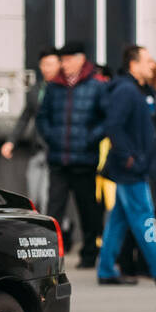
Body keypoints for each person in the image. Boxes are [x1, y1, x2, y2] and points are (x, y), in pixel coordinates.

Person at [96, 45, 156, 286]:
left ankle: (106, 270)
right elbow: (113, 126)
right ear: (134, 64)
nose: (151, 65)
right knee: (145, 216)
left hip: (133, 166)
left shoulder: (139, 90)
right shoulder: (126, 91)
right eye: (147, 61)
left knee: (118, 221)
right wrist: (129, 158)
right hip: (131, 169)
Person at [36, 40, 107, 268]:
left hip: (84, 160)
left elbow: (106, 119)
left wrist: (90, 138)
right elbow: (42, 117)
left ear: (79, 59)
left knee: (87, 209)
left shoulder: (96, 86)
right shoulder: (54, 87)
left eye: (66, 60)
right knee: (53, 209)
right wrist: (51, 136)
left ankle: (89, 254)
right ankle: (50, 256)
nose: (63, 65)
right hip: (58, 159)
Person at [1, 46, 60, 214]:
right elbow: (25, 117)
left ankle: (60, 229)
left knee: (48, 197)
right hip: (36, 149)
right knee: (34, 197)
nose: (47, 68)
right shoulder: (36, 89)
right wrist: (11, 141)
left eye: (51, 64)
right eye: (44, 64)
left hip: (54, 151)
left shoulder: (63, 91)